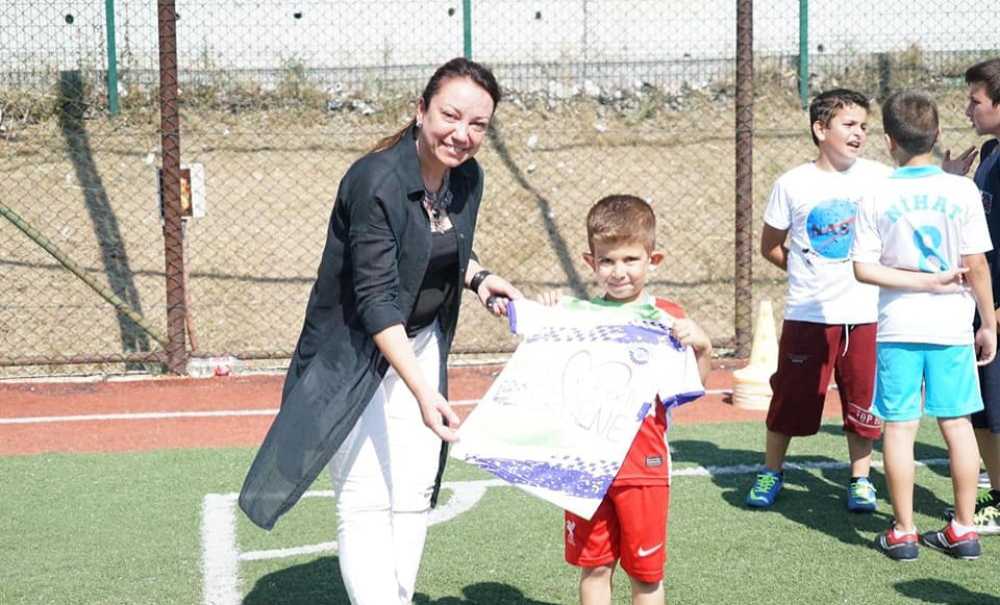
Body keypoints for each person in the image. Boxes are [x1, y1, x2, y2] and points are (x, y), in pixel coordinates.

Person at [238, 57, 523, 604]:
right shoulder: (374, 181)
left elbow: (438, 246)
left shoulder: (467, 178)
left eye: (479, 125)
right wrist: (423, 391)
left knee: (413, 488)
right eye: (450, 115)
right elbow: (374, 299)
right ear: (420, 110)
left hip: (419, 342)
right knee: (366, 491)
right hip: (352, 351)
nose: (462, 135)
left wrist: (480, 279)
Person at [539, 195, 712, 605]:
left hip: (643, 467)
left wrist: (702, 348)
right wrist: (548, 323)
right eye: (607, 261)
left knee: (645, 575)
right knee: (594, 566)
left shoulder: (667, 316)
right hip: (588, 465)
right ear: (590, 261)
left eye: (631, 260)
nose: (619, 272)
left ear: (654, 260)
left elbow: (691, 389)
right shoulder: (580, 318)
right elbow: (549, 380)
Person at [852, 90, 996, 561]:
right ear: (936, 135)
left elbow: (864, 269)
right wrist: (989, 322)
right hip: (952, 326)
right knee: (956, 424)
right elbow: (976, 263)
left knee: (899, 426)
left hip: (898, 326)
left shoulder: (875, 192)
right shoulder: (963, 189)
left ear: (888, 141)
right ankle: (963, 528)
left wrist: (918, 281)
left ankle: (905, 531)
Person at [745, 89, 887, 512]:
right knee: (789, 396)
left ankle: (860, 478)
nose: (859, 133)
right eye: (849, 124)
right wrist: (806, 271)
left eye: (864, 126)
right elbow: (770, 245)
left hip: (865, 315)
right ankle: (772, 470)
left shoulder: (880, 177)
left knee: (863, 400)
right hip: (809, 314)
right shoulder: (792, 183)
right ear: (820, 129)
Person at [941, 57, 1000, 536]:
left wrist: (994, 314)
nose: (967, 110)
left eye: (975, 101)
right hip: (984, 307)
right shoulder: (991, 153)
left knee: (993, 410)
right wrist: (953, 179)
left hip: (995, 312)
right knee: (984, 409)